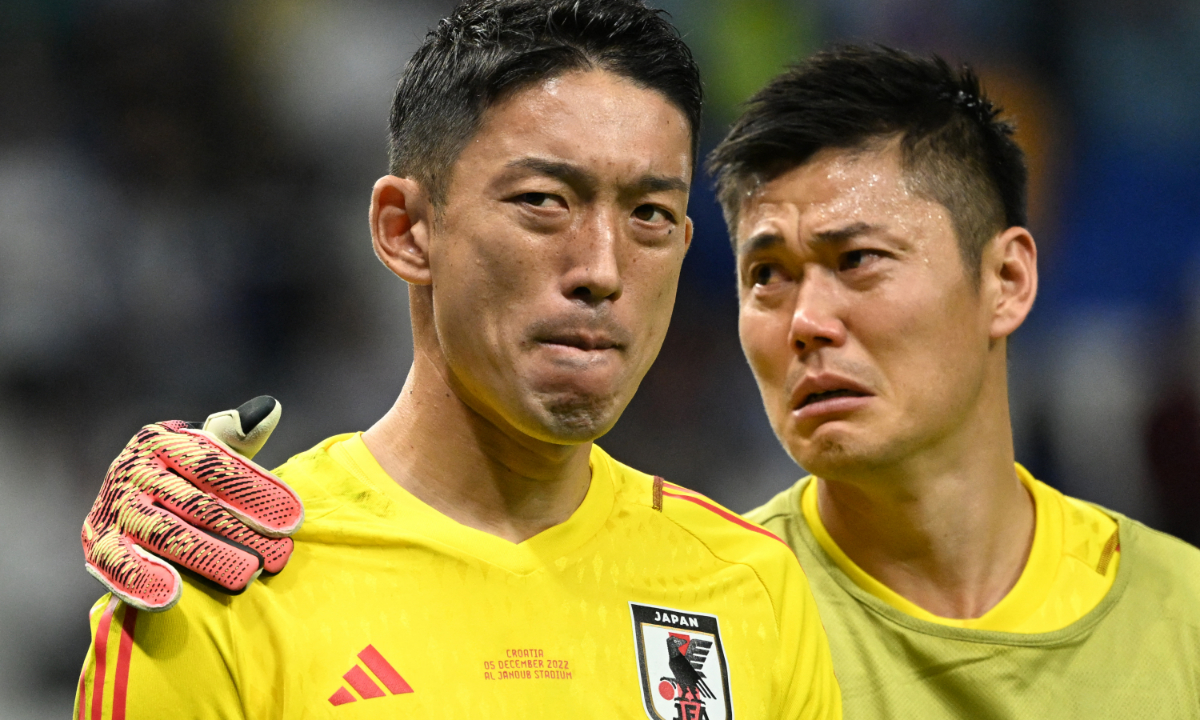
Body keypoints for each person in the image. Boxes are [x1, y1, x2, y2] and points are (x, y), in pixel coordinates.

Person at [73, 2, 842, 719]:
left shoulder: (753, 589)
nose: (602, 269)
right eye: (544, 200)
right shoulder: (217, 582)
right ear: (406, 230)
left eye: (649, 213)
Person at [710, 45, 1200, 718]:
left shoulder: (1183, 618)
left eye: (857, 259)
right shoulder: (705, 632)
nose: (806, 321)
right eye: (766, 275)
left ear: (1006, 281)